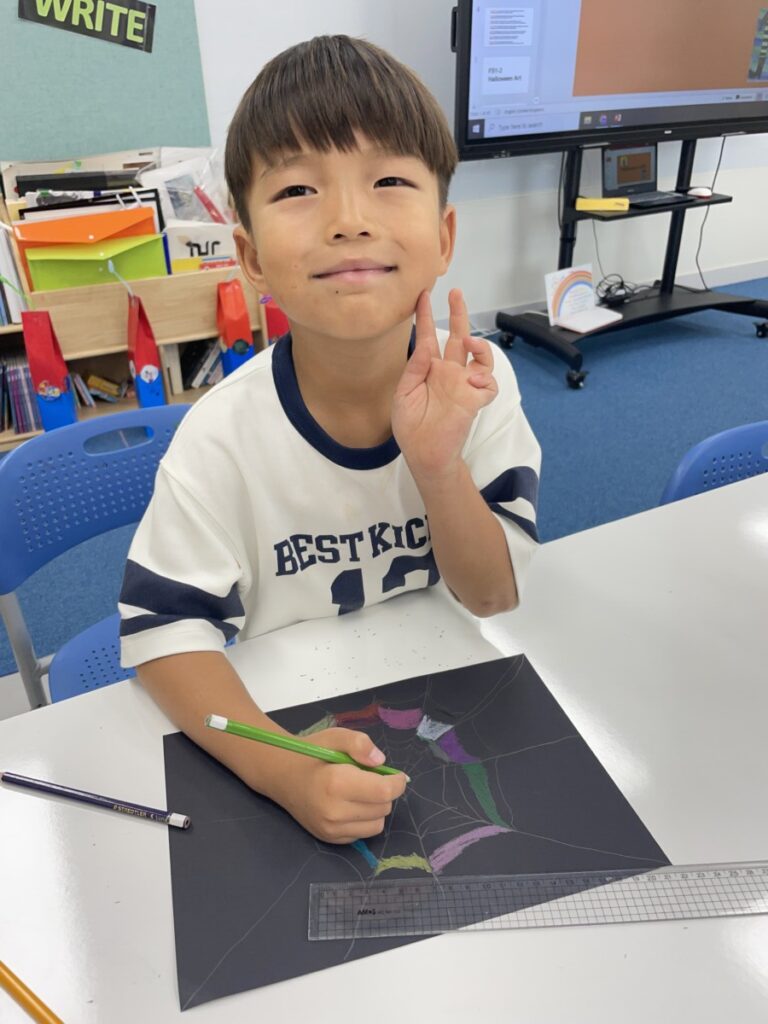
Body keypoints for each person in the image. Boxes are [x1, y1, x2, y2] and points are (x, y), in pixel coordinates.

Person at [119, 34, 541, 845]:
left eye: (389, 181)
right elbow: (163, 639)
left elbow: (492, 596)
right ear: (249, 257)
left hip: (453, 691)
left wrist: (437, 467)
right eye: (298, 189)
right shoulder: (221, 437)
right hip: (285, 709)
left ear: (444, 236)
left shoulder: (479, 387)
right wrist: (281, 766)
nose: (349, 221)